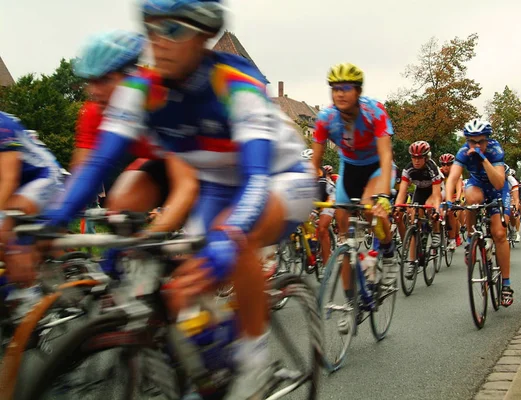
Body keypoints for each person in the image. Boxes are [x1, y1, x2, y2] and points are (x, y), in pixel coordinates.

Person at [8, 2, 316, 397]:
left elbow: (255, 179)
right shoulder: (140, 89)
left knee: (232, 238)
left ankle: (255, 360)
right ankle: (205, 360)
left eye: (173, 30)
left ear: (204, 35)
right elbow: (99, 163)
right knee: (178, 289)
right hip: (217, 186)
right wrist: (51, 221)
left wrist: (227, 239)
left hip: (277, 179)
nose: (159, 42)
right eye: (152, 29)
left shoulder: (235, 84)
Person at [70, 31, 199, 235]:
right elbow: (81, 173)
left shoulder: (161, 97)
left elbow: (186, 184)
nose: (93, 91)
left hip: (207, 164)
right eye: (90, 82)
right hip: (162, 163)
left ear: (131, 78)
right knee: (120, 209)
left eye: (104, 80)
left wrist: (154, 233)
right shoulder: (94, 110)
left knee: (207, 240)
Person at [311, 62, 397, 288]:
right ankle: (350, 306)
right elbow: (315, 164)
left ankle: (388, 254)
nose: (339, 93)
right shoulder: (326, 119)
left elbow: (386, 154)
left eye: (346, 88)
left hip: (376, 167)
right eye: (335, 88)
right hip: (349, 168)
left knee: (371, 207)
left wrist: (385, 196)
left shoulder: (374, 111)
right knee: (343, 234)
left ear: (358, 91)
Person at [445, 119, 514, 307]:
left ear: (487, 140)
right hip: (477, 186)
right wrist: (448, 201)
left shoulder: (494, 150)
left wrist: (483, 158)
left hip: (498, 190)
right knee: (472, 200)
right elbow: (453, 177)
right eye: (471, 141)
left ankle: (506, 284)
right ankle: (470, 238)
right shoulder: (463, 152)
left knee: (499, 233)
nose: (475, 145)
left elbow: (499, 182)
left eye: (480, 141)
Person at [0, 112, 65, 283]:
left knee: (6, 228)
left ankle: (29, 290)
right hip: (20, 183)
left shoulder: (2, 124)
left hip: (43, 176)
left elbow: (9, 179)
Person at [395, 141, 443, 278]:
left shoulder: (432, 168)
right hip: (420, 191)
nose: (416, 161)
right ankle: (411, 261)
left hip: (434, 191)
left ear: (426, 157)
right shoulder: (408, 169)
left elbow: (436, 195)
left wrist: (436, 210)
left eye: (419, 157)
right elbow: (402, 192)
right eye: (413, 157)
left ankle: (436, 232)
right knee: (412, 214)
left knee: (429, 208)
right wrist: (398, 207)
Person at [439, 153, 462, 249]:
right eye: (443, 164)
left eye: (448, 164)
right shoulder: (438, 172)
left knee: (451, 212)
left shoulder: (456, 172)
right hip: (444, 194)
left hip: (455, 194)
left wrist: (457, 200)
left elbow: (459, 187)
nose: (445, 167)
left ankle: (453, 238)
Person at [506, 166, 521, 242]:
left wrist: (516, 209)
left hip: (512, 196)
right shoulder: (495, 179)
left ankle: (514, 229)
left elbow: (516, 199)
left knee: (513, 212)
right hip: (502, 196)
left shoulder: (512, 180)